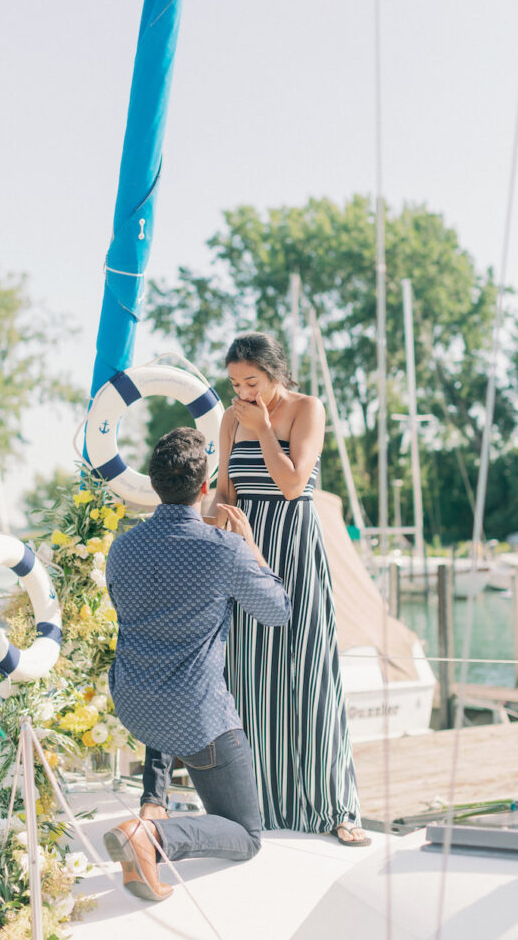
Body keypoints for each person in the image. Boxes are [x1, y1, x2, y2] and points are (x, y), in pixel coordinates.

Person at [144, 332, 368, 846]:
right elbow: (225, 490)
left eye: (252, 382)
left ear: (276, 374)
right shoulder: (230, 419)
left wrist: (265, 429)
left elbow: (293, 485)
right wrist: (207, 532)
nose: (243, 392)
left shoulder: (307, 409)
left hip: (296, 552)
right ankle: (262, 805)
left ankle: (335, 806)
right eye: (235, 383)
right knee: (251, 680)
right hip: (243, 552)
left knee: (310, 679)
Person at [104, 426, 291, 900]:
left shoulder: (121, 547)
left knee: (167, 671)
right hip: (195, 717)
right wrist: (248, 546)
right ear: (205, 487)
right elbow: (277, 611)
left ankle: (152, 808)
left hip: (134, 705)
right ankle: (153, 836)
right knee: (247, 835)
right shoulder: (223, 549)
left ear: (154, 483)